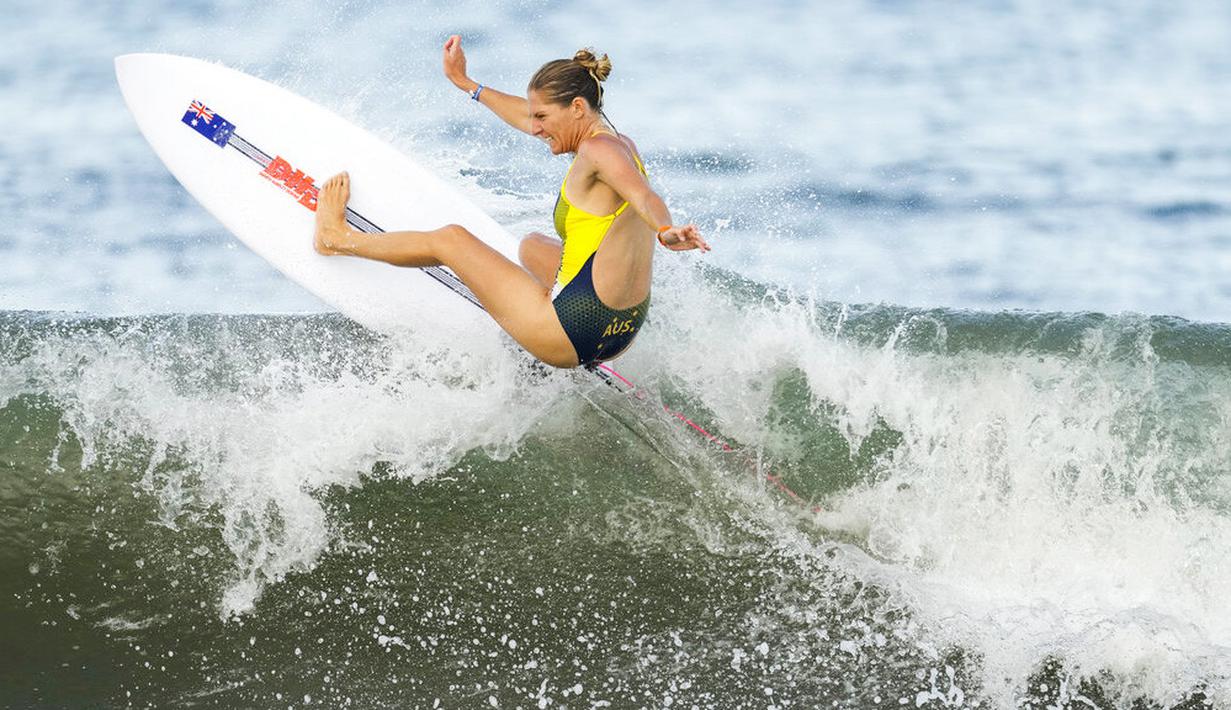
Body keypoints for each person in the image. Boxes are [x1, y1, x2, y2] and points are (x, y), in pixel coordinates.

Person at [313, 35, 710, 368]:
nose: (534, 128)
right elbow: (528, 118)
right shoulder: (616, 143)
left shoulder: (596, 154)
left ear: (575, 108)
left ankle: (335, 239)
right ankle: (555, 317)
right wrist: (469, 85)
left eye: (542, 117)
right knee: (532, 246)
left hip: (571, 331)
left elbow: (643, 196)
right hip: (621, 331)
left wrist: (666, 230)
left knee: (450, 239)